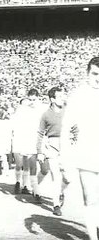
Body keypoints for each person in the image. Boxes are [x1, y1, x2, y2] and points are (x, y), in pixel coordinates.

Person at [60, 57, 99, 240]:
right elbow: (68, 129)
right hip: (87, 156)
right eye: (95, 74)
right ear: (87, 73)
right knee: (91, 198)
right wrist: (65, 162)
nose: (98, 78)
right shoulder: (77, 96)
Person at [36, 86, 69, 216]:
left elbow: (76, 129)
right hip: (52, 145)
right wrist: (39, 151)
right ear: (52, 99)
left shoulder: (68, 111)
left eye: (63, 96)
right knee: (56, 175)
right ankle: (56, 205)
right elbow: (40, 133)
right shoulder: (46, 115)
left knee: (68, 178)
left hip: (67, 144)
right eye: (60, 97)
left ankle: (61, 192)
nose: (63, 98)